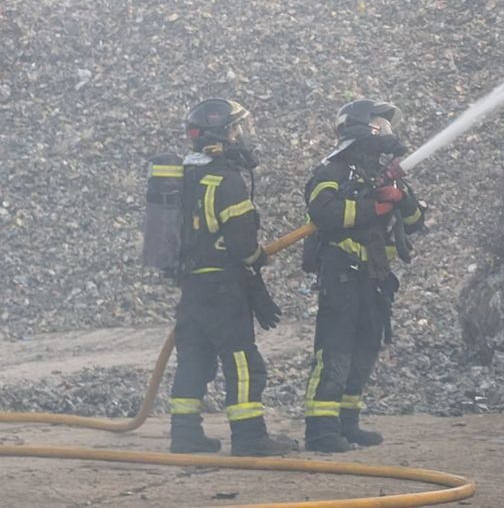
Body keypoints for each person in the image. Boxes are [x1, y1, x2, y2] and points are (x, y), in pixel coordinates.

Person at [168, 98, 294, 456]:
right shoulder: (226, 180)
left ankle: (185, 434)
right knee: (241, 361)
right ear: (221, 135)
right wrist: (259, 259)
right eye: (236, 129)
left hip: (192, 287)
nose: (241, 136)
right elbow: (242, 244)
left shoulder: (184, 177)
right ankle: (250, 437)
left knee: (193, 359)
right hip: (224, 288)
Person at [301, 98, 425, 452]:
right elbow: (323, 212)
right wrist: (374, 206)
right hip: (342, 275)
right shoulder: (333, 171)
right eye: (378, 123)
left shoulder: (385, 173)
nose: (386, 130)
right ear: (359, 125)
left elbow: (415, 225)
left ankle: (347, 422)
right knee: (335, 350)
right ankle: (321, 430)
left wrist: (402, 200)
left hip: (375, 279)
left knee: (364, 349)